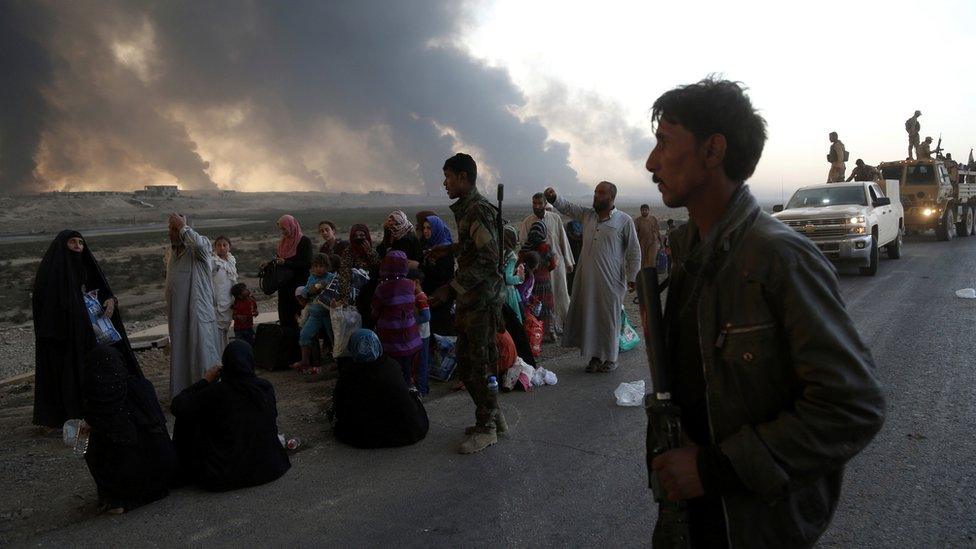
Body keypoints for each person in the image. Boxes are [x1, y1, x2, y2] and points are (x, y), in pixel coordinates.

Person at [644, 77, 885, 547]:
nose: (652, 163)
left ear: (713, 151)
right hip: (691, 520)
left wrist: (714, 469)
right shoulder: (692, 249)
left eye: (664, 142)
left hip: (757, 526)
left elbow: (854, 405)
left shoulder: (779, 258)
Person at [428, 153, 507, 454]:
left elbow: (489, 259)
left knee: (480, 363)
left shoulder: (476, 209)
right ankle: (493, 417)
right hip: (473, 299)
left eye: (448, 176)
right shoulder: (470, 210)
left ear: (463, 177)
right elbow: (479, 245)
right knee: (469, 361)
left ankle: (488, 427)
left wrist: (451, 288)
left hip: (482, 301)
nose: (444, 183)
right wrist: (451, 247)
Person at [32, 230, 142, 427]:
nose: (78, 246)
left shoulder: (85, 267)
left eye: (81, 243)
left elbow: (101, 291)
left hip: (92, 336)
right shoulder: (51, 273)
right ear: (62, 245)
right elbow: (47, 308)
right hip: (65, 339)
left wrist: (110, 300)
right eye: (72, 242)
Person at [545, 181, 641, 373]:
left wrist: (632, 277)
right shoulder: (588, 216)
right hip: (587, 280)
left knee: (609, 319)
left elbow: (634, 251)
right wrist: (554, 198)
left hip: (611, 281)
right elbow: (569, 208)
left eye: (601, 193)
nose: (596, 195)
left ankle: (611, 359)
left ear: (611, 197)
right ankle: (595, 358)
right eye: (595, 192)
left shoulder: (624, 220)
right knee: (591, 318)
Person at [171, 340, 291, 492]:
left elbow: (177, 406)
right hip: (271, 468)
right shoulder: (264, 387)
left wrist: (205, 381)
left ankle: (181, 469)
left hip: (224, 476)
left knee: (187, 415)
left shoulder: (215, 393)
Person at [82, 346, 177, 514]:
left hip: (125, 484)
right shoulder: (142, 387)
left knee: (84, 439)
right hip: (162, 475)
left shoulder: (95, 402)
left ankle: (117, 499)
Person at [329, 329, 429, 448]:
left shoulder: (348, 374)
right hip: (405, 432)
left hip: (362, 434)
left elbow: (339, 405)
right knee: (412, 395)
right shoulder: (391, 366)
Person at [165, 213, 221, 400]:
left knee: (202, 350)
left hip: (198, 312)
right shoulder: (172, 252)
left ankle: (207, 394)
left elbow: (197, 244)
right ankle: (184, 394)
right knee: (181, 351)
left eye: (175, 229)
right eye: (170, 228)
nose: (171, 232)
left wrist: (183, 227)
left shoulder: (201, 248)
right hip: (178, 315)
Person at [519, 193, 575, 332]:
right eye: (534, 203)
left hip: (556, 265)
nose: (536, 206)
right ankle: (542, 328)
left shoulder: (555, 218)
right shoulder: (527, 222)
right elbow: (523, 244)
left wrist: (568, 261)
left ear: (545, 204)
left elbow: (563, 240)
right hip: (539, 269)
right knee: (541, 300)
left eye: (539, 203)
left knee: (561, 295)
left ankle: (565, 326)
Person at [371, 251, 422, 389]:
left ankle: (396, 396)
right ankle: (410, 395)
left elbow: (375, 311)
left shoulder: (382, 289)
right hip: (409, 336)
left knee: (393, 370)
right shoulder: (410, 285)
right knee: (407, 370)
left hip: (390, 337)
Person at [292, 254, 336, 372]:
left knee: (333, 337)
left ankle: (338, 361)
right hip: (315, 314)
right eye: (316, 266)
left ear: (327, 267)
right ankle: (305, 361)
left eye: (321, 266)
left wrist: (324, 287)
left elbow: (336, 293)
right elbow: (305, 292)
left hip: (328, 314)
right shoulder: (312, 278)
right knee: (304, 335)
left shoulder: (331, 277)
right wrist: (311, 290)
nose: (318, 269)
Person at [269, 215, 312, 330]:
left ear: (292, 226)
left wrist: (286, 263)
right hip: (284, 286)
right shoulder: (283, 243)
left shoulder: (304, 241)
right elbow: (280, 261)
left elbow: (307, 264)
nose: (283, 232)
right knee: (285, 318)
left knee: (300, 318)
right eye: (281, 229)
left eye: (284, 228)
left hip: (298, 287)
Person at [337, 223, 381, 328]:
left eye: (362, 235)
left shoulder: (372, 249)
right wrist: (345, 297)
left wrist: (369, 252)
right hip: (356, 293)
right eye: (355, 236)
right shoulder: (348, 252)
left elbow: (379, 268)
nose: (358, 238)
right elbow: (344, 274)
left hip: (372, 291)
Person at [419, 213, 456, 336]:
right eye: (423, 228)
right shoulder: (426, 247)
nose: (425, 231)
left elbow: (444, 276)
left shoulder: (445, 250)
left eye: (429, 228)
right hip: (428, 298)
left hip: (441, 299)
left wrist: (424, 267)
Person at [521, 220, 557, 341]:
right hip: (545, 280)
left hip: (530, 281)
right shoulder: (546, 247)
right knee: (547, 306)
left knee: (532, 305)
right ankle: (550, 332)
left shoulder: (526, 247)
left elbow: (520, 263)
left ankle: (534, 333)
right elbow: (553, 265)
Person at [407, 269, 431, 397]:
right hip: (419, 334)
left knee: (421, 362)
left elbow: (426, 316)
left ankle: (421, 389)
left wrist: (410, 321)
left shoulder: (421, 297)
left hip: (422, 335)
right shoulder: (416, 296)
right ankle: (423, 387)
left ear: (416, 282)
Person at [211, 235, 237, 351]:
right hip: (218, 300)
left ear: (229, 247)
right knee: (217, 330)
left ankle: (225, 355)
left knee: (226, 329)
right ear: (214, 247)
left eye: (224, 245)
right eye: (218, 245)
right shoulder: (212, 262)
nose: (221, 247)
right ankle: (217, 358)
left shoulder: (231, 260)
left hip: (229, 300)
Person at [635, 204, 663, 269]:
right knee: (643, 261)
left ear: (649, 210)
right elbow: (634, 233)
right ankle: (644, 276)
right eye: (642, 210)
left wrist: (661, 243)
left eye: (645, 210)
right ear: (640, 211)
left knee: (652, 260)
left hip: (653, 242)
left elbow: (657, 231)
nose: (644, 211)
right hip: (642, 243)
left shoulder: (654, 219)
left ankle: (651, 276)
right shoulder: (637, 221)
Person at [564, 220, 583, 292]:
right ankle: (571, 290)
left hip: (580, 253)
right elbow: (570, 235)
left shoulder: (583, 224)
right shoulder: (570, 224)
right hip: (573, 253)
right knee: (572, 272)